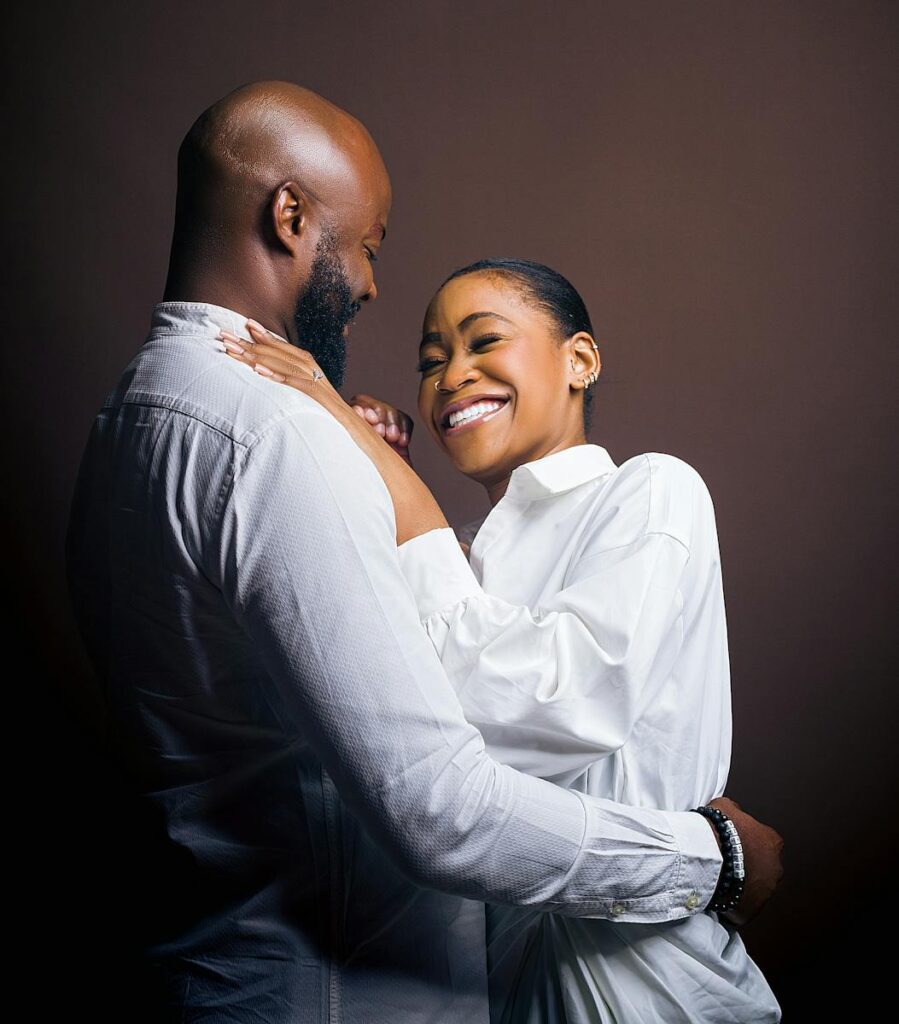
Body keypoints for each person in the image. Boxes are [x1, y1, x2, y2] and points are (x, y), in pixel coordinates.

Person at [65, 81, 783, 1022]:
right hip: (336, 993)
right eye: (368, 247)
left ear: (580, 358)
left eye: (483, 339)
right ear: (290, 216)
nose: (367, 283)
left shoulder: (125, 423)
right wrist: (709, 860)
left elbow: (534, 702)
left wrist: (367, 474)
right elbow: (444, 794)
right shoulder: (284, 443)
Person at [222, 257, 782, 1022]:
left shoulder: (652, 491)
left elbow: (562, 703)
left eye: (484, 342)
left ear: (579, 359)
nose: (451, 375)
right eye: (430, 361)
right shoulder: (462, 554)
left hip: (649, 995)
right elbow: (419, 759)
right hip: (493, 995)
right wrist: (377, 487)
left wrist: (396, 489)